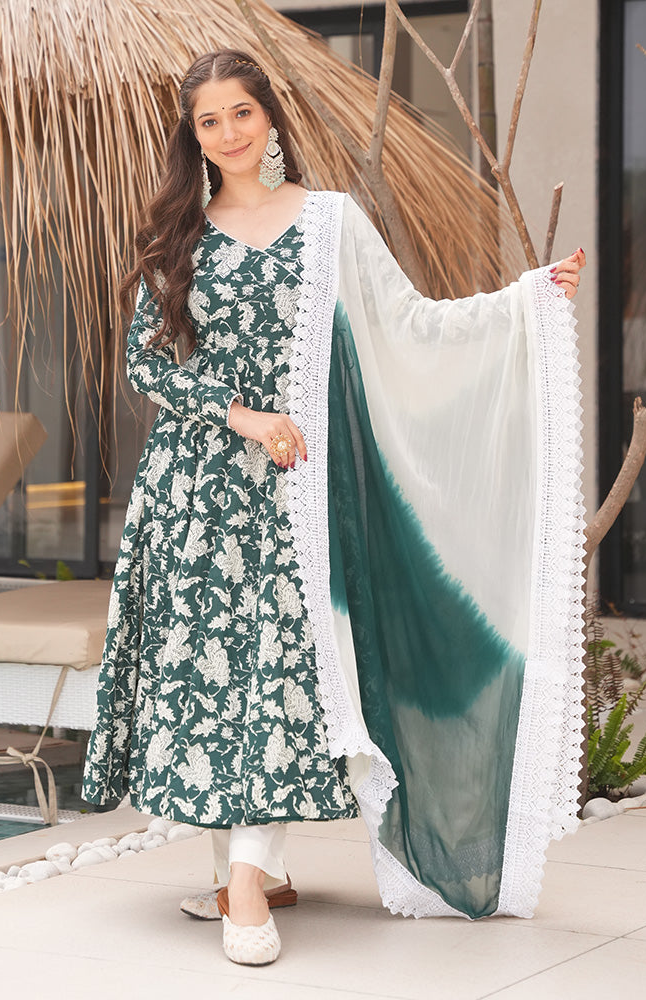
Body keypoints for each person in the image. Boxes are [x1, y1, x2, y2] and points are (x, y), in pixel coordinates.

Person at [82, 48, 586, 966]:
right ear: (192, 136)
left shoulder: (329, 223)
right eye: (209, 121)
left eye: (242, 113)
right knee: (211, 683)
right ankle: (256, 872)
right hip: (194, 495)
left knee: (273, 677)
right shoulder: (177, 236)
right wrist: (241, 414)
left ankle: (245, 887)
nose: (229, 133)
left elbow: (412, 321)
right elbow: (145, 365)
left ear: (269, 117)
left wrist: (524, 304)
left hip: (296, 499)